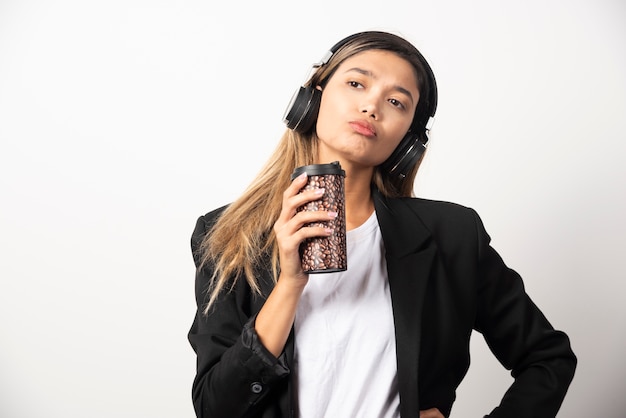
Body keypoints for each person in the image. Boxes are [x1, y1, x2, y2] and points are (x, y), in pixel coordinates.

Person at [187, 30, 576, 418]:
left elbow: (548, 358)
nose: (372, 106)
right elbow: (216, 409)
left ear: (409, 139)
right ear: (313, 97)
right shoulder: (225, 234)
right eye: (356, 83)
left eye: (396, 101)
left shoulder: (453, 236)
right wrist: (290, 283)